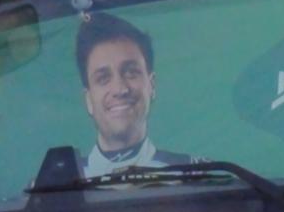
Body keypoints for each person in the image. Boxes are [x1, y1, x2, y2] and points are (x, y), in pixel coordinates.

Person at [75, 12, 202, 178]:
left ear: (152, 85)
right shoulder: (58, 187)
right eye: (103, 78)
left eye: (131, 72)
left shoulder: (193, 176)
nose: (120, 89)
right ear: (88, 100)